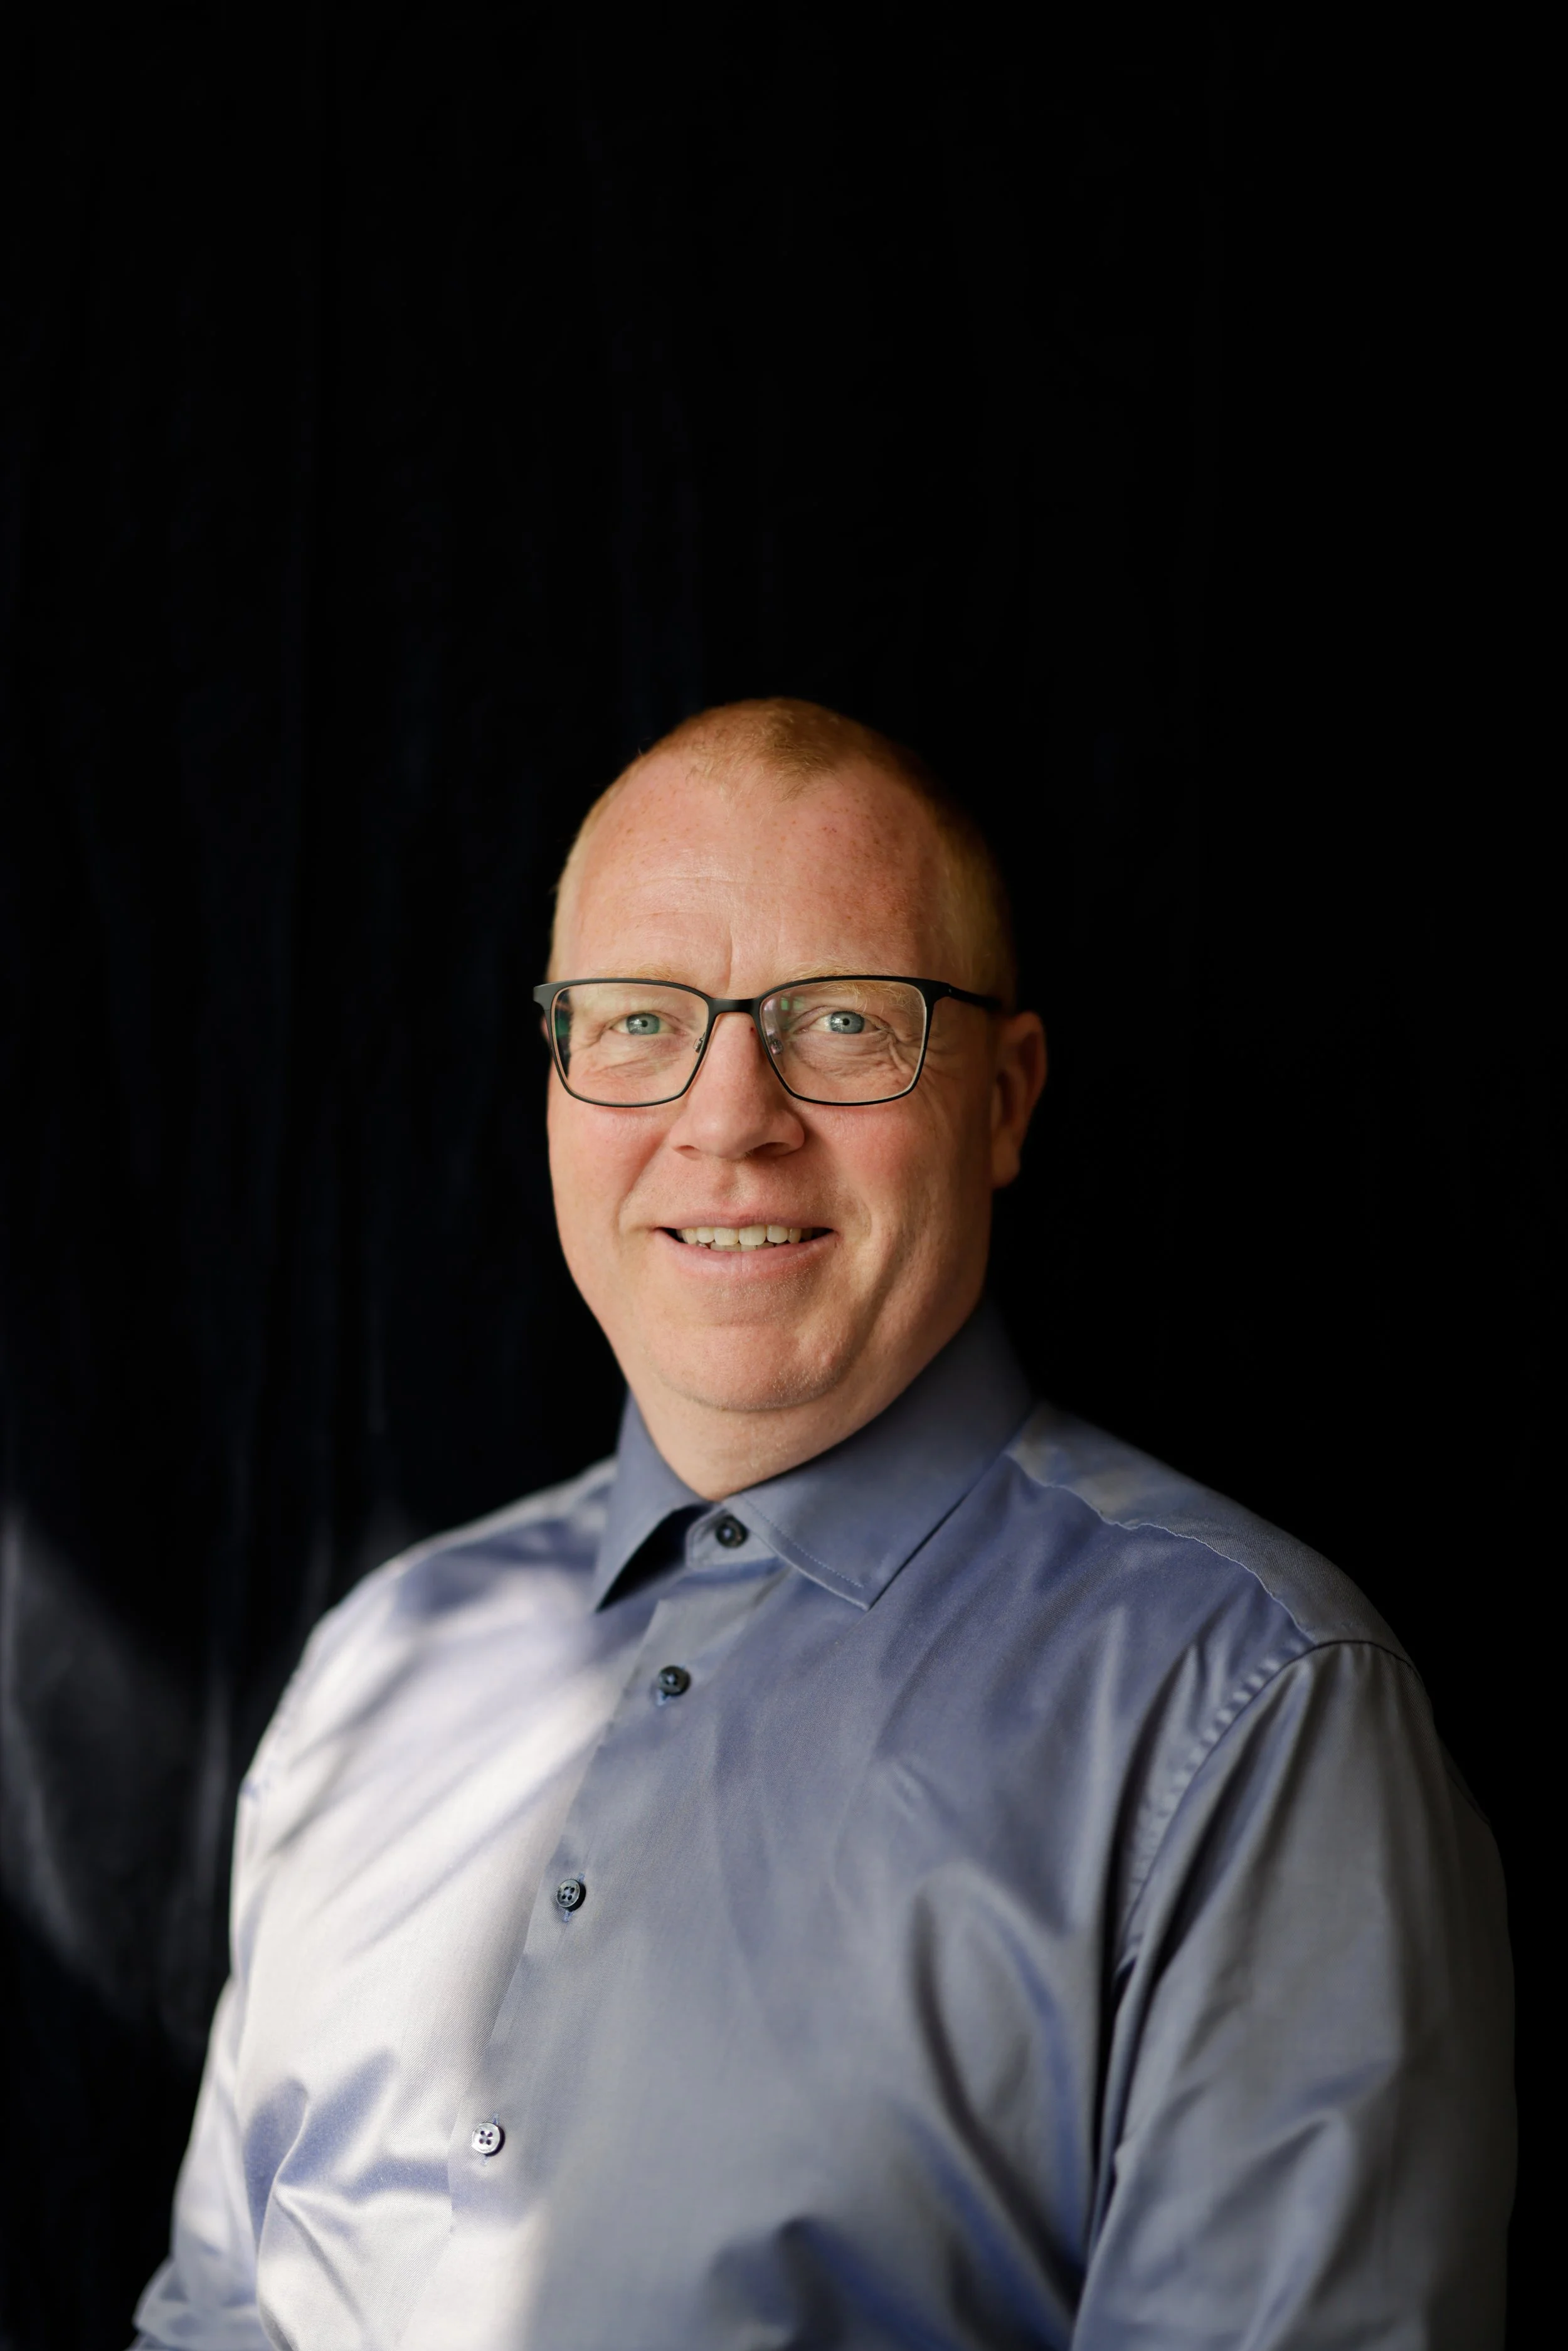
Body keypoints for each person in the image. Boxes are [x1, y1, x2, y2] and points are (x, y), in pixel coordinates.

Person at [132, 698, 1513, 2350]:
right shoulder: (379, 1661)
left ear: (1004, 1100)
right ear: (556, 1078)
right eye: (638, 1021)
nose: (728, 1118)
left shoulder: (1253, 1715)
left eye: (844, 1021)